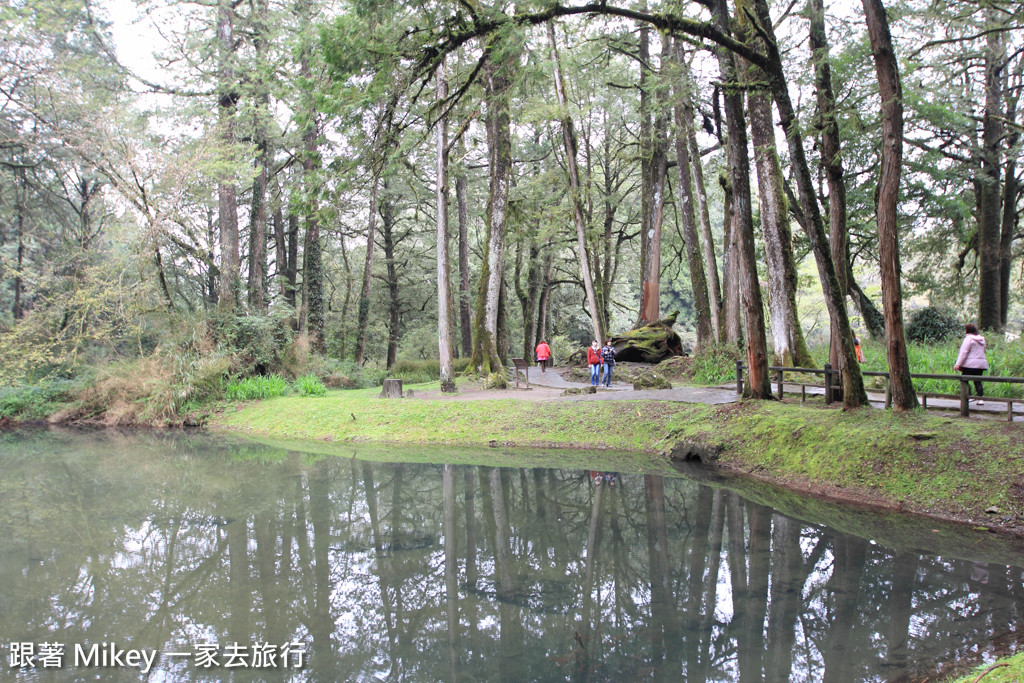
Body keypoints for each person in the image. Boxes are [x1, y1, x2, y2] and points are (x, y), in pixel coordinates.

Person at [954, 323, 988, 405]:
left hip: (970, 364)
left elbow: (964, 352)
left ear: (967, 330)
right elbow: (983, 351)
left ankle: (969, 396)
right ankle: (980, 399)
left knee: (964, 379)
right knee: (978, 381)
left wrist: (958, 364)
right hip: (981, 364)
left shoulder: (968, 339)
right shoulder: (982, 339)